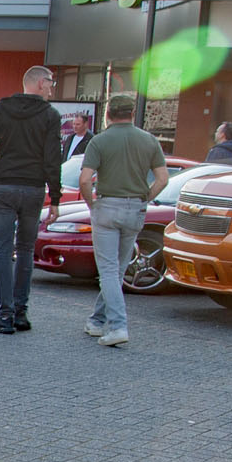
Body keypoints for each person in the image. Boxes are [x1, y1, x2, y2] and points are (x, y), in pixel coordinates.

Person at [0, 65, 63, 335]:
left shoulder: (0, 109)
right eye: (50, 83)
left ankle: (5, 314)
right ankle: (21, 312)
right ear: (38, 83)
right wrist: (55, 197)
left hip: (4, 186)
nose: (51, 87)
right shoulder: (50, 115)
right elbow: (52, 159)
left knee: (2, 249)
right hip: (33, 188)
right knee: (25, 249)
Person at [79, 94, 168, 349]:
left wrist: (91, 204)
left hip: (107, 206)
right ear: (132, 114)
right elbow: (162, 178)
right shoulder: (149, 140)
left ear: (108, 115)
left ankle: (117, 326)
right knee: (117, 270)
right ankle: (96, 321)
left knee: (107, 270)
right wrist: (146, 199)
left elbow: (85, 179)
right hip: (135, 209)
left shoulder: (99, 141)